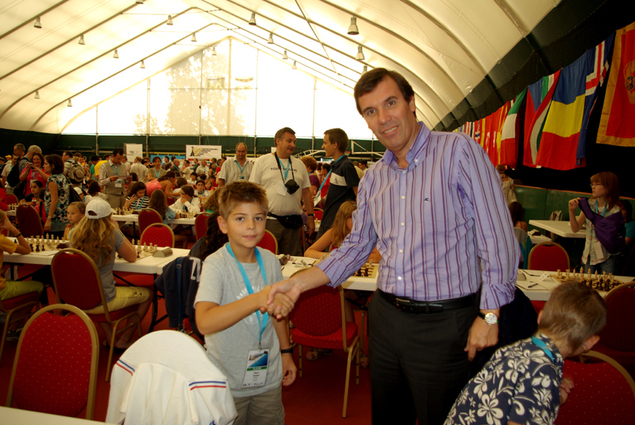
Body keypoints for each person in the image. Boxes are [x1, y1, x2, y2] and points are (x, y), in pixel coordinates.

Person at [267, 68, 518, 425]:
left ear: (411, 103)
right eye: (370, 111)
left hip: (444, 323)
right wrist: (298, 283)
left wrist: (490, 313)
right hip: (384, 319)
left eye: (390, 103)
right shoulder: (374, 179)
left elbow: (499, 237)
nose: (383, 119)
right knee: (388, 418)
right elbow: (355, 248)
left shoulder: (458, 151)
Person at [194, 181, 296, 424]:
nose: (251, 226)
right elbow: (204, 322)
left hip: (267, 378)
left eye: (259, 218)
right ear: (223, 224)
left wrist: (286, 352)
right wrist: (256, 299)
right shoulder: (216, 265)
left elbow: (276, 315)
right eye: (240, 218)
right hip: (226, 380)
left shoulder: (271, 261)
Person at [444, 281, 606, 425]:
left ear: (540, 317)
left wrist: (553, 399)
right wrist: (546, 392)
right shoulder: (543, 373)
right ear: (590, 342)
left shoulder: (516, 350)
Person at [70, 199, 151, 350]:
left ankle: (110, 336)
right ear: (108, 217)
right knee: (147, 294)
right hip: (103, 299)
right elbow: (132, 256)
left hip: (77, 297)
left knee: (94, 293)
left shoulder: (74, 233)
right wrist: (117, 230)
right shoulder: (111, 233)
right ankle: (124, 339)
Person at [250, 127, 315, 256]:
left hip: (293, 223)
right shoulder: (262, 161)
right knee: (265, 259)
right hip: (270, 221)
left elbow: (306, 192)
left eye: (294, 142)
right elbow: (253, 191)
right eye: (289, 141)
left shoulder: (299, 164)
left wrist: (311, 216)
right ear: (277, 141)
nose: (292, 145)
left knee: (293, 261)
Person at [568, 171, 621, 274]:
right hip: (589, 254)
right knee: (587, 286)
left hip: (608, 255)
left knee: (605, 285)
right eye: (592, 184)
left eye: (597, 184)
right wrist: (572, 211)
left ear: (608, 186)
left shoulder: (615, 210)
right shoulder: (588, 205)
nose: (593, 187)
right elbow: (575, 228)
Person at [316, 128, 359, 238]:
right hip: (328, 220)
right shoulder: (336, 165)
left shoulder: (346, 165)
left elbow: (358, 194)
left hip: (337, 224)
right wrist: (323, 199)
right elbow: (339, 194)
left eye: (325, 143)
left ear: (335, 144)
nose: (323, 146)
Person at [0, 209, 44, 305]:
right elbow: (26, 249)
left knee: (12, 281)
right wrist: (13, 229)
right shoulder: (1, 240)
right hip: (1, 289)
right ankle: (17, 317)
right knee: (39, 285)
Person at [43, 154, 71, 238]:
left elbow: (54, 200)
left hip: (55, 218)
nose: (43, 166)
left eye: (45, 164)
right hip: (64, 216)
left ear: (52, 165)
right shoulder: (63, 177)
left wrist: (49, 219)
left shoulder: (52, 179)